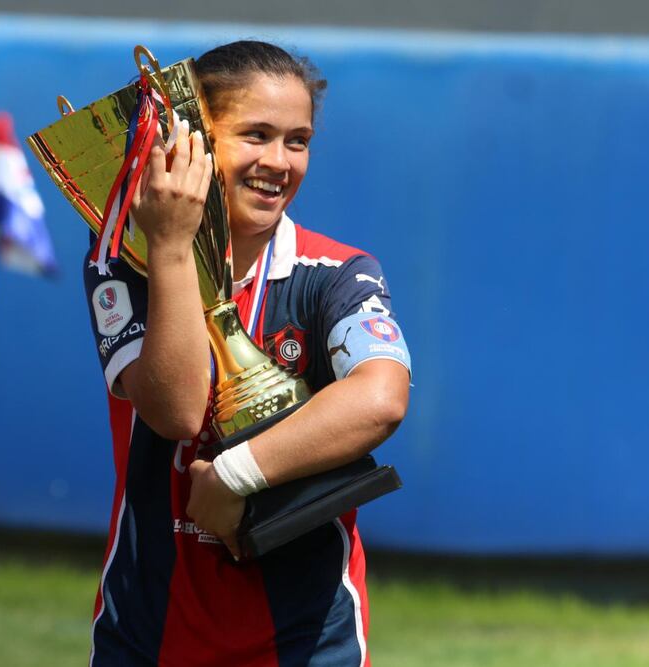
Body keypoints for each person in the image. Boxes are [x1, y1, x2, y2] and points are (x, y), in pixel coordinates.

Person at [83, 40, 411, 667]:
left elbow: (380, 400)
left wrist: (236, 476)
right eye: (255, 134)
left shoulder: (336, 273)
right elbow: (177, 413)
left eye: (298, 140)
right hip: (147, 632)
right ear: (195, 137)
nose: (279, 162)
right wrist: (174, 248)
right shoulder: (123, 258)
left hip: (308, 639)